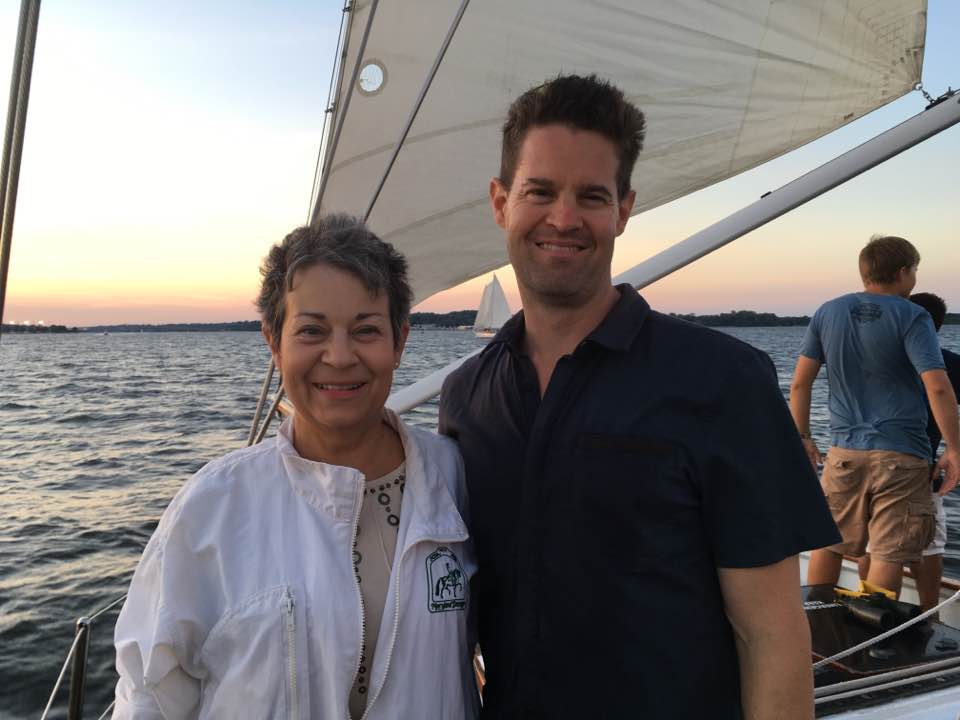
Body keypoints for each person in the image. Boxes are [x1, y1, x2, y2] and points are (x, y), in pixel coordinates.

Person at [439, 74, 840, 720]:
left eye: (591, 196)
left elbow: (771, 636)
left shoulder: (722, 381)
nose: (563, 219)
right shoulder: (466, 399)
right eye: (540, 191)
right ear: (500, 201)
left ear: (624, 209)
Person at [112, 215, 479, 719]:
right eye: (312, 330)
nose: (340, 355)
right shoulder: (213, 507)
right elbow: (149, 692)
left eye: (366, 330)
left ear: (400, 342)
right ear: (273, 341)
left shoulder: (455, 479)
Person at [790, 238, 960, 599]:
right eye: (914, 269)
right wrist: (955, 449)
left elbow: (800, 384)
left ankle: (816, 621)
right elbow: (939, 387)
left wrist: (803, 437)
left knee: (830, 542)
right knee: (888, 552)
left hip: (843, 453)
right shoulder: (914, 315)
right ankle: (875, 642)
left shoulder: (828, 312)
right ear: (903, 272)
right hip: (903, 456)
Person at [858, 292, 960, 611]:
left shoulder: (867, 359)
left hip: (861, 465)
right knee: (927, 546)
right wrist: (953, 449)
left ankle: (869, 617)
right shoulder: (947, 364)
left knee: (873, 545)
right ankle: (928, 617)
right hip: (915, 468)